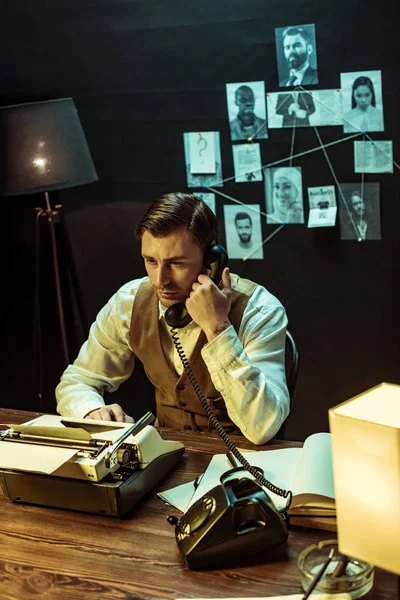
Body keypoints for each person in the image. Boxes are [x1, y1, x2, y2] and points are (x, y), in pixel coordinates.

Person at [56, 193, 290, 445]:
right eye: (150, 261)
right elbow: (76, 381)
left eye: (176, 263)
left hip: (242, 461)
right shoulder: (127, 303)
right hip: (164, 453)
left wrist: (217, 328)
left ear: (211, 257)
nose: (160, 280)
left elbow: (263, 427)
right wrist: (91, 411)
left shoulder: (260, 311)